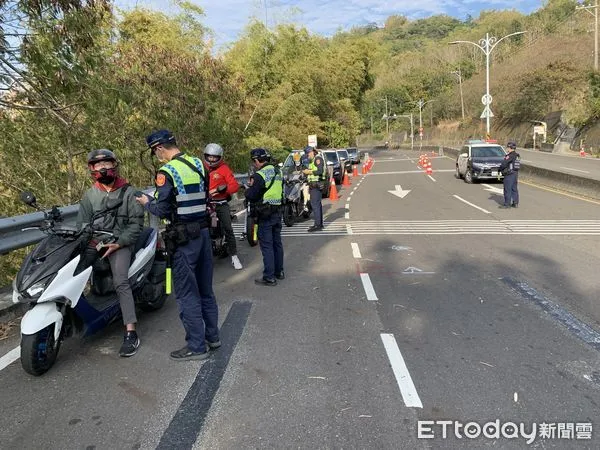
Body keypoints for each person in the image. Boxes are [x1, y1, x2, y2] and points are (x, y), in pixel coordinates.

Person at [136, 129, 219, 361]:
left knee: (186, 293)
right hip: (203, 234)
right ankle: (213, 337)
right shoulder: (198, 164)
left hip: (184, 239)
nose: (157, 157)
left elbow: (162, 210)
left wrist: (146, 202)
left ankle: (196, 345)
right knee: (205, 290)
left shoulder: (167, 171)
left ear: (159, 148)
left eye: (155, 152)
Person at [77, 149, 144, 357]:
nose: (103, 168)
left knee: (120, 281)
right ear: (92, 169)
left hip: (119, 243)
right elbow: (82, 224)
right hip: (96, 242)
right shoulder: (90, 195)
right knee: (74, 270)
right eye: (98, 165)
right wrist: (89, 242)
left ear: (114, 165)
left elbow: (136, 224)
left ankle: (131, 331)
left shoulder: (129, 192)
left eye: (106, 163)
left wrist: (119, 243)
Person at [244, 148, 284, 286]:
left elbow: (251, 195)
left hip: (265, 213)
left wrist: (248, 188)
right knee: (277, 243)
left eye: (254, 161)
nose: (254, 164)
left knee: (267, 246)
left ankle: (269, 277)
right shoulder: (278, 172)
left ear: (257, 160)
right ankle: (279, 272)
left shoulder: (259, 175)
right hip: (278, 211)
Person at [203, 143, 242, 270]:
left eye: (215, 157)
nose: (212, 159)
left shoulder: (224, 168)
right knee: (201, 230)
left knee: (228, 228)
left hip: (220, 203)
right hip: (205, 203)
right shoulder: (201, 167)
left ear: (219, 157)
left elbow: (234, 185)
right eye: (209, 157)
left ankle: (234, 256)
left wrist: (222, 190)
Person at [302, 146, 325, 232]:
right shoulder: (314, 160)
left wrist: (309, 172)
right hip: (313, 185)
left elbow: (320, 171)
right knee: (317, 205)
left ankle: (317, 225)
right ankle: (319, 224)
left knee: (315, 205)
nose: (308, 156)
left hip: (316, 185)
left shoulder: (317, 159)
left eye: (308, 154)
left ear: (312, 152)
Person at [499, 141, 521, 209]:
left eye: (507, 147)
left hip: (509, 174)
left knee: (507, 189)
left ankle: (507, 204)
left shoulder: (510, 156)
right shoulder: (517, 155)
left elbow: (503, 164)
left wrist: (500, 169)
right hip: (515, 173)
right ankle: (515, 203)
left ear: (510, 148)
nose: (507, 149)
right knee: (514, 189)